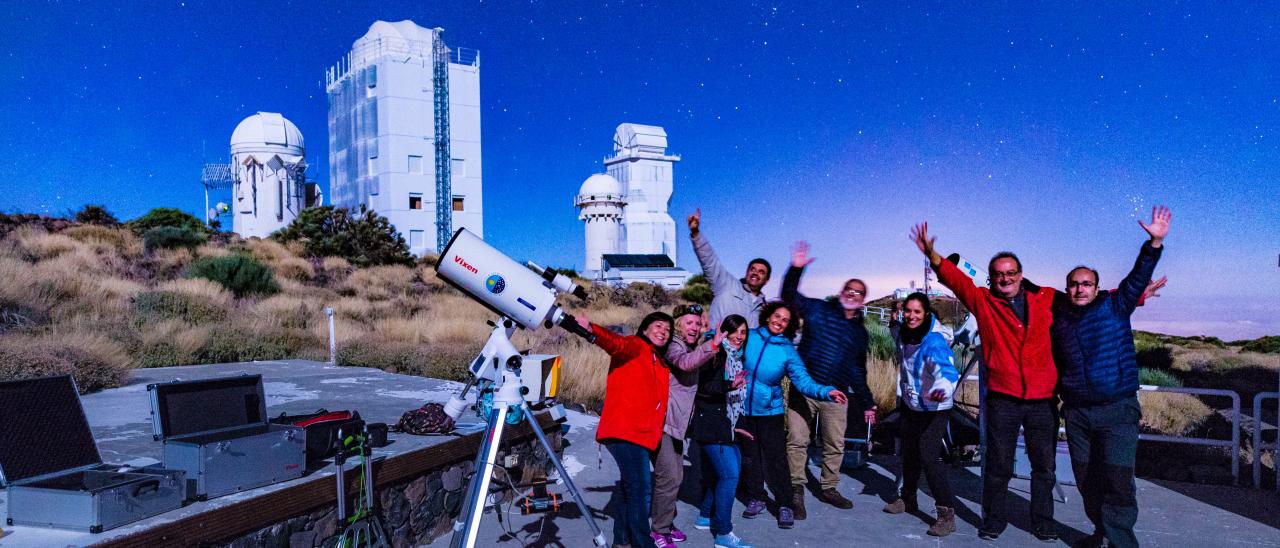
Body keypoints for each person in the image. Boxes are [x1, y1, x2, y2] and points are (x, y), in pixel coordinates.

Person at [910, 222, 1060, 541]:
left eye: (1011, 273)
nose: (1005, 279)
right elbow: (956, 279)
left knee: (1044, 468)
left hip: (1042, 400)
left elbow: (1083, 303)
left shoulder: (1045, 298)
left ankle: (1043, 521)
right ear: (992, 278)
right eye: (999, 274)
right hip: (1003, 399)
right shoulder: (984, 301)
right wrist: (932, 255)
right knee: (998, 465)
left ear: (1020, 275)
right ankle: (994, 519)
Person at [1051, 206, 1170, 548]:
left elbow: (1136, 278)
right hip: (1077, 413)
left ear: (1097, 287)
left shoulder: (1114, 306)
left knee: (1118, 482)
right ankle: (1102, 534)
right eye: (1073, 284)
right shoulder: (1060, 317)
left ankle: (1121, 544)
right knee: (1088, 480)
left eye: (1086, 283)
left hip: (1117, 411)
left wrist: (1155, 243)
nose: (1079, 289)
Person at [780, 241, 876, 516]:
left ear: (862, 299)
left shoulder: (860, 333)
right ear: (841, 292)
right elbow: (789, 296)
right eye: (849, 290)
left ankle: (829, 487)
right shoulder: (819, 309)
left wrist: (868, 402)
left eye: (858, 293)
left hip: (837, 394)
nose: (853, 294)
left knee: (835, 443)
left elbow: (859, 370)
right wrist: (796, 269)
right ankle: (796, 488)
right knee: (797, 440)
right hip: (806, 387)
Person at [736, 301, 847, 529]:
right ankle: (757, 497)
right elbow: (730, 347)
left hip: (770, 412)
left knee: (776, 460)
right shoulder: (750, 336)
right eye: (777, 316)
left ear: (789, 326)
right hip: (743, 410)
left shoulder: (787, 351)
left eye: (785, 320)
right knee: (751, 458)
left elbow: (803, 382)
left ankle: (785, 504)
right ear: (767, 316)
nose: (779, 322)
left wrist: (826, 391)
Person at [577, 311, 674, 548]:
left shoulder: (658, 360)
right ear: (644, 329)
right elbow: (615, 343)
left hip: (639, 435)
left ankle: (621, 541)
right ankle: (643, 544)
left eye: (668, 330)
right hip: (625, 432)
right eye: (658, 326)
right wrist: (592, 330)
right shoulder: (636, 346)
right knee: (641, 491)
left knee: (631, 489)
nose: (664, 331)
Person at [883, 292, 961, 537]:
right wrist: (894, 319)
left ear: (926, 314)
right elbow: (895, 330)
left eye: (917, 312)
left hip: (935, 408)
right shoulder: (905, 332)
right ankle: (908, 499)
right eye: (908, 311)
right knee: (909, 452)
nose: (911, 316)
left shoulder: (934, 341)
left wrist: (941, 388)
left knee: (929, 456)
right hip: (911, 404)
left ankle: (946, 514)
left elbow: (948, 372)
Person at [651, 304, 724, 546]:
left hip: (678, 424)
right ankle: (658, 530)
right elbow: (684, 363)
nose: (694, 327)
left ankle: (666, 523)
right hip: (664, 422)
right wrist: (711, 346)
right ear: (678, 325)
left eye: (697, 323)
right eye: (688, 323)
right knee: (668, 478)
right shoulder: (674, 345)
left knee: (676, 477)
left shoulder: (691, 346)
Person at [688, 314, 755, 548]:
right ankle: (724, 534)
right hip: (711, 424)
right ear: (724, 332)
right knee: (729, 475)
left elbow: (735, 399)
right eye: (734, 331)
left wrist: (738, 424)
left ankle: (705, 516)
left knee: (723, 473)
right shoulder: (714, 354)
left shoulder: (736, 357)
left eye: (743, 332)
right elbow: (703, 388)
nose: (739, 336)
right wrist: (730, 385)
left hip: (726, 423)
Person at [687, 208, 770, 328]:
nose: (755, 273)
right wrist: (696, 234)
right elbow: (709, 261)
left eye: (761, 272)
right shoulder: (725, 285)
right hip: (716, 346)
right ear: (746, 272)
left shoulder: (764, 309)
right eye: (752, 269)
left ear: (767, 280)